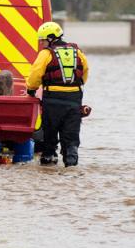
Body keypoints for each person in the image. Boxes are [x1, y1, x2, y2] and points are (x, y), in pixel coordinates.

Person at [26, 21, 89, 167]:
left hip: (52, 101)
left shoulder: (46, 54)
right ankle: (71, 162)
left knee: (50, 136)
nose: (41, 43)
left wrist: (31, 88)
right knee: (71, 136)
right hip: (74, 100)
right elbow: (84, 73)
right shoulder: (77, 51)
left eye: (43, 40)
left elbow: (35, 74)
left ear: (51, 38)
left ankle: (49, 161)